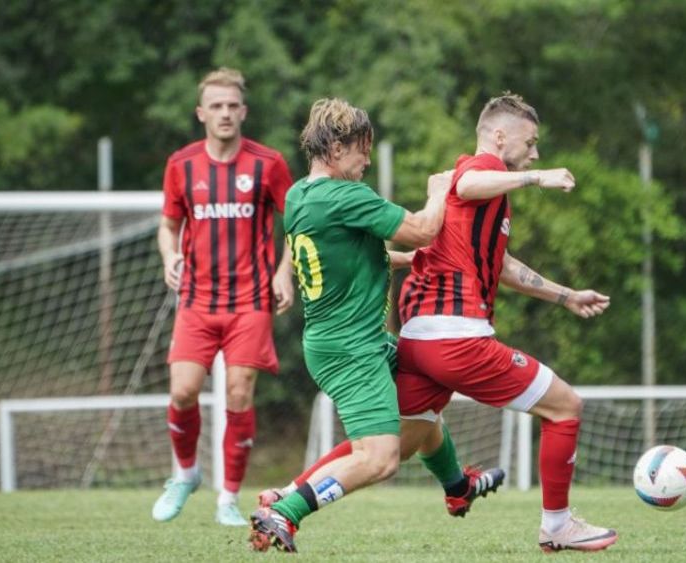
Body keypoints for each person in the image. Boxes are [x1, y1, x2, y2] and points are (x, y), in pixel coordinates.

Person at [249, 98, 503, 553]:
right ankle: (284, 509)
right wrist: (441, 189)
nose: (367, 160)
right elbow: (424, 228)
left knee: (424, 405)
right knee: (381, 459)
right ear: (335, 147)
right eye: (362, 150)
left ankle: (457, 485)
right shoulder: (346, 195)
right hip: (351, 350)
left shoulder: (300, 195)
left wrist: (409, 261)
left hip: (343, 341)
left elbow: (348, 256)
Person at [395, 92, 616, 553]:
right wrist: (536, 177)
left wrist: (567, 296)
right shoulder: (486, 169)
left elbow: (505, 266)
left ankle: (290, 500)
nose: (535, 153)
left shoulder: (484, 197)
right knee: (564, 406)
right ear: (499, 136)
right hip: (456, 336)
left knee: (384, 453)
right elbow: (468, 181)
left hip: (418, 337)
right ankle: (557, 525)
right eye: (530, 143)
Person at [153, 68, 296, 526]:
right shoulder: (182, 165)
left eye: (233, 105)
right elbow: (169, 225)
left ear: (244, 111)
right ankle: (187, 474)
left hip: (250, 302)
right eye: (216, 106)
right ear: (201, 113)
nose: (225, 113)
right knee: (182, 391)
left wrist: (284, 274)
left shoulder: (268, 164)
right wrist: (168, 256)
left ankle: (228, 500)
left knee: (238, 394)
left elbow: (296, 223)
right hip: (196, 300)